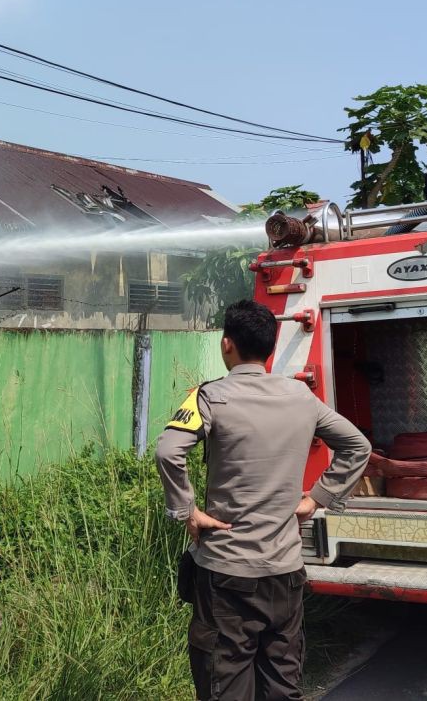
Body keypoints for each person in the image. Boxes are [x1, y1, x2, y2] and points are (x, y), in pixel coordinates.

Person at [155, 300, 371, 701]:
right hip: (286, 574)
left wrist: (187, 511)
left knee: (225, 685)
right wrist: (318, 498)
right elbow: (357, 446)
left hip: (226, 574)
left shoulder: (207, 397)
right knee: (281, 685)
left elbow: (169, 451)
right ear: (270, 348)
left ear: (226, 345)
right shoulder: (302, 397)